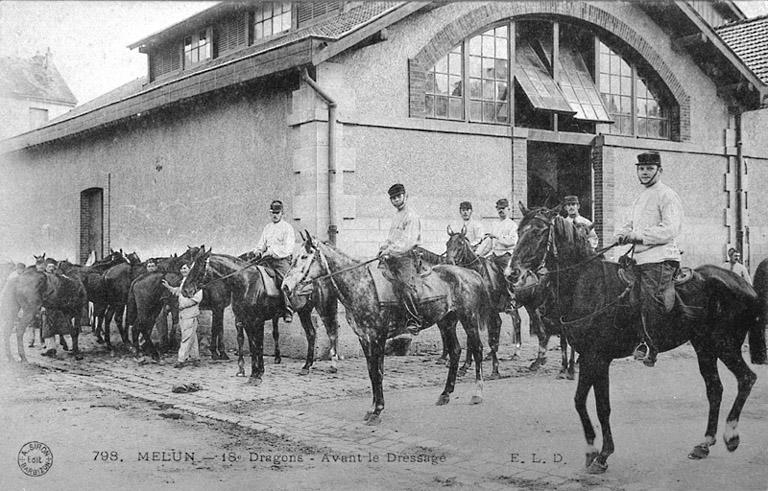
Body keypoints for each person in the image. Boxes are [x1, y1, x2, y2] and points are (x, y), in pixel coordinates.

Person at [614, 151, 683, 367]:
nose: (644, 173)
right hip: (638, 258)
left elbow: (670, 229)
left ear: (659, 171)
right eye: (641, 169)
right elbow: (630, 225)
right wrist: (621, 234)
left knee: (648, 298)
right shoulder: (640, 197)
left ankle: (650, 346)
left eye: (649, 169)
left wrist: (639, 236)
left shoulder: (667, 195)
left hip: (660, 257)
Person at [379, 183, 424, 334]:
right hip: (392, 256)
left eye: (398, 196)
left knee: (405, 285)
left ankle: (414, 320)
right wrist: (383, 247)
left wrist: (389, 251)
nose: (396, 200)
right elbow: (391, 238)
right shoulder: (397, 215)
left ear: (405, 196)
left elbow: (407, 242)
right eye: (393, 198)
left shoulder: (411, 216)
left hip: (406, 257)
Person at [254, 200, 296, 323]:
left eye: (277, 213)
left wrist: (272, 252)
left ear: (282, 213)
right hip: (267, 260)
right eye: (273, 213)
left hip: (281, 260)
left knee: (284, 282)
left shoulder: (287, 228)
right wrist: (257, 250)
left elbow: (288, 248)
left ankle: (288, 309)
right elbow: (261, 244)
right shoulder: (267, 227)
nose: (275, 215)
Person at [162, 263, 202, 368]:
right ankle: (195, 358)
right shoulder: (184, 282)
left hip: (190, 313)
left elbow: (197, 299)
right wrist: (169, 287)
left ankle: (181, 360)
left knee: (186, 337)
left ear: (190, 270)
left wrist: (182, 305)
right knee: (192, 337)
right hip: (184, 313)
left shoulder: (195, 283)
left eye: (185, 268)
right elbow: (179, 292)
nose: (183, 270)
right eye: (181, 268)